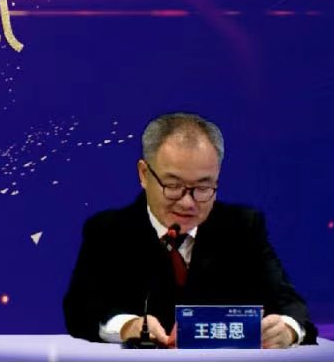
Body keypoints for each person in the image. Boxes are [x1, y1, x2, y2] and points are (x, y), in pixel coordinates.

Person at [62, 112, 316, 348]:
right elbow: (80, 313)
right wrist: (128, 326)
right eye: (173, 186)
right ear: (144, 174)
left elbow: (291, 306)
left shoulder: (243, 227)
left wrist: (287, 330)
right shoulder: (108, 231)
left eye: (203, 188)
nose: (187, 203)